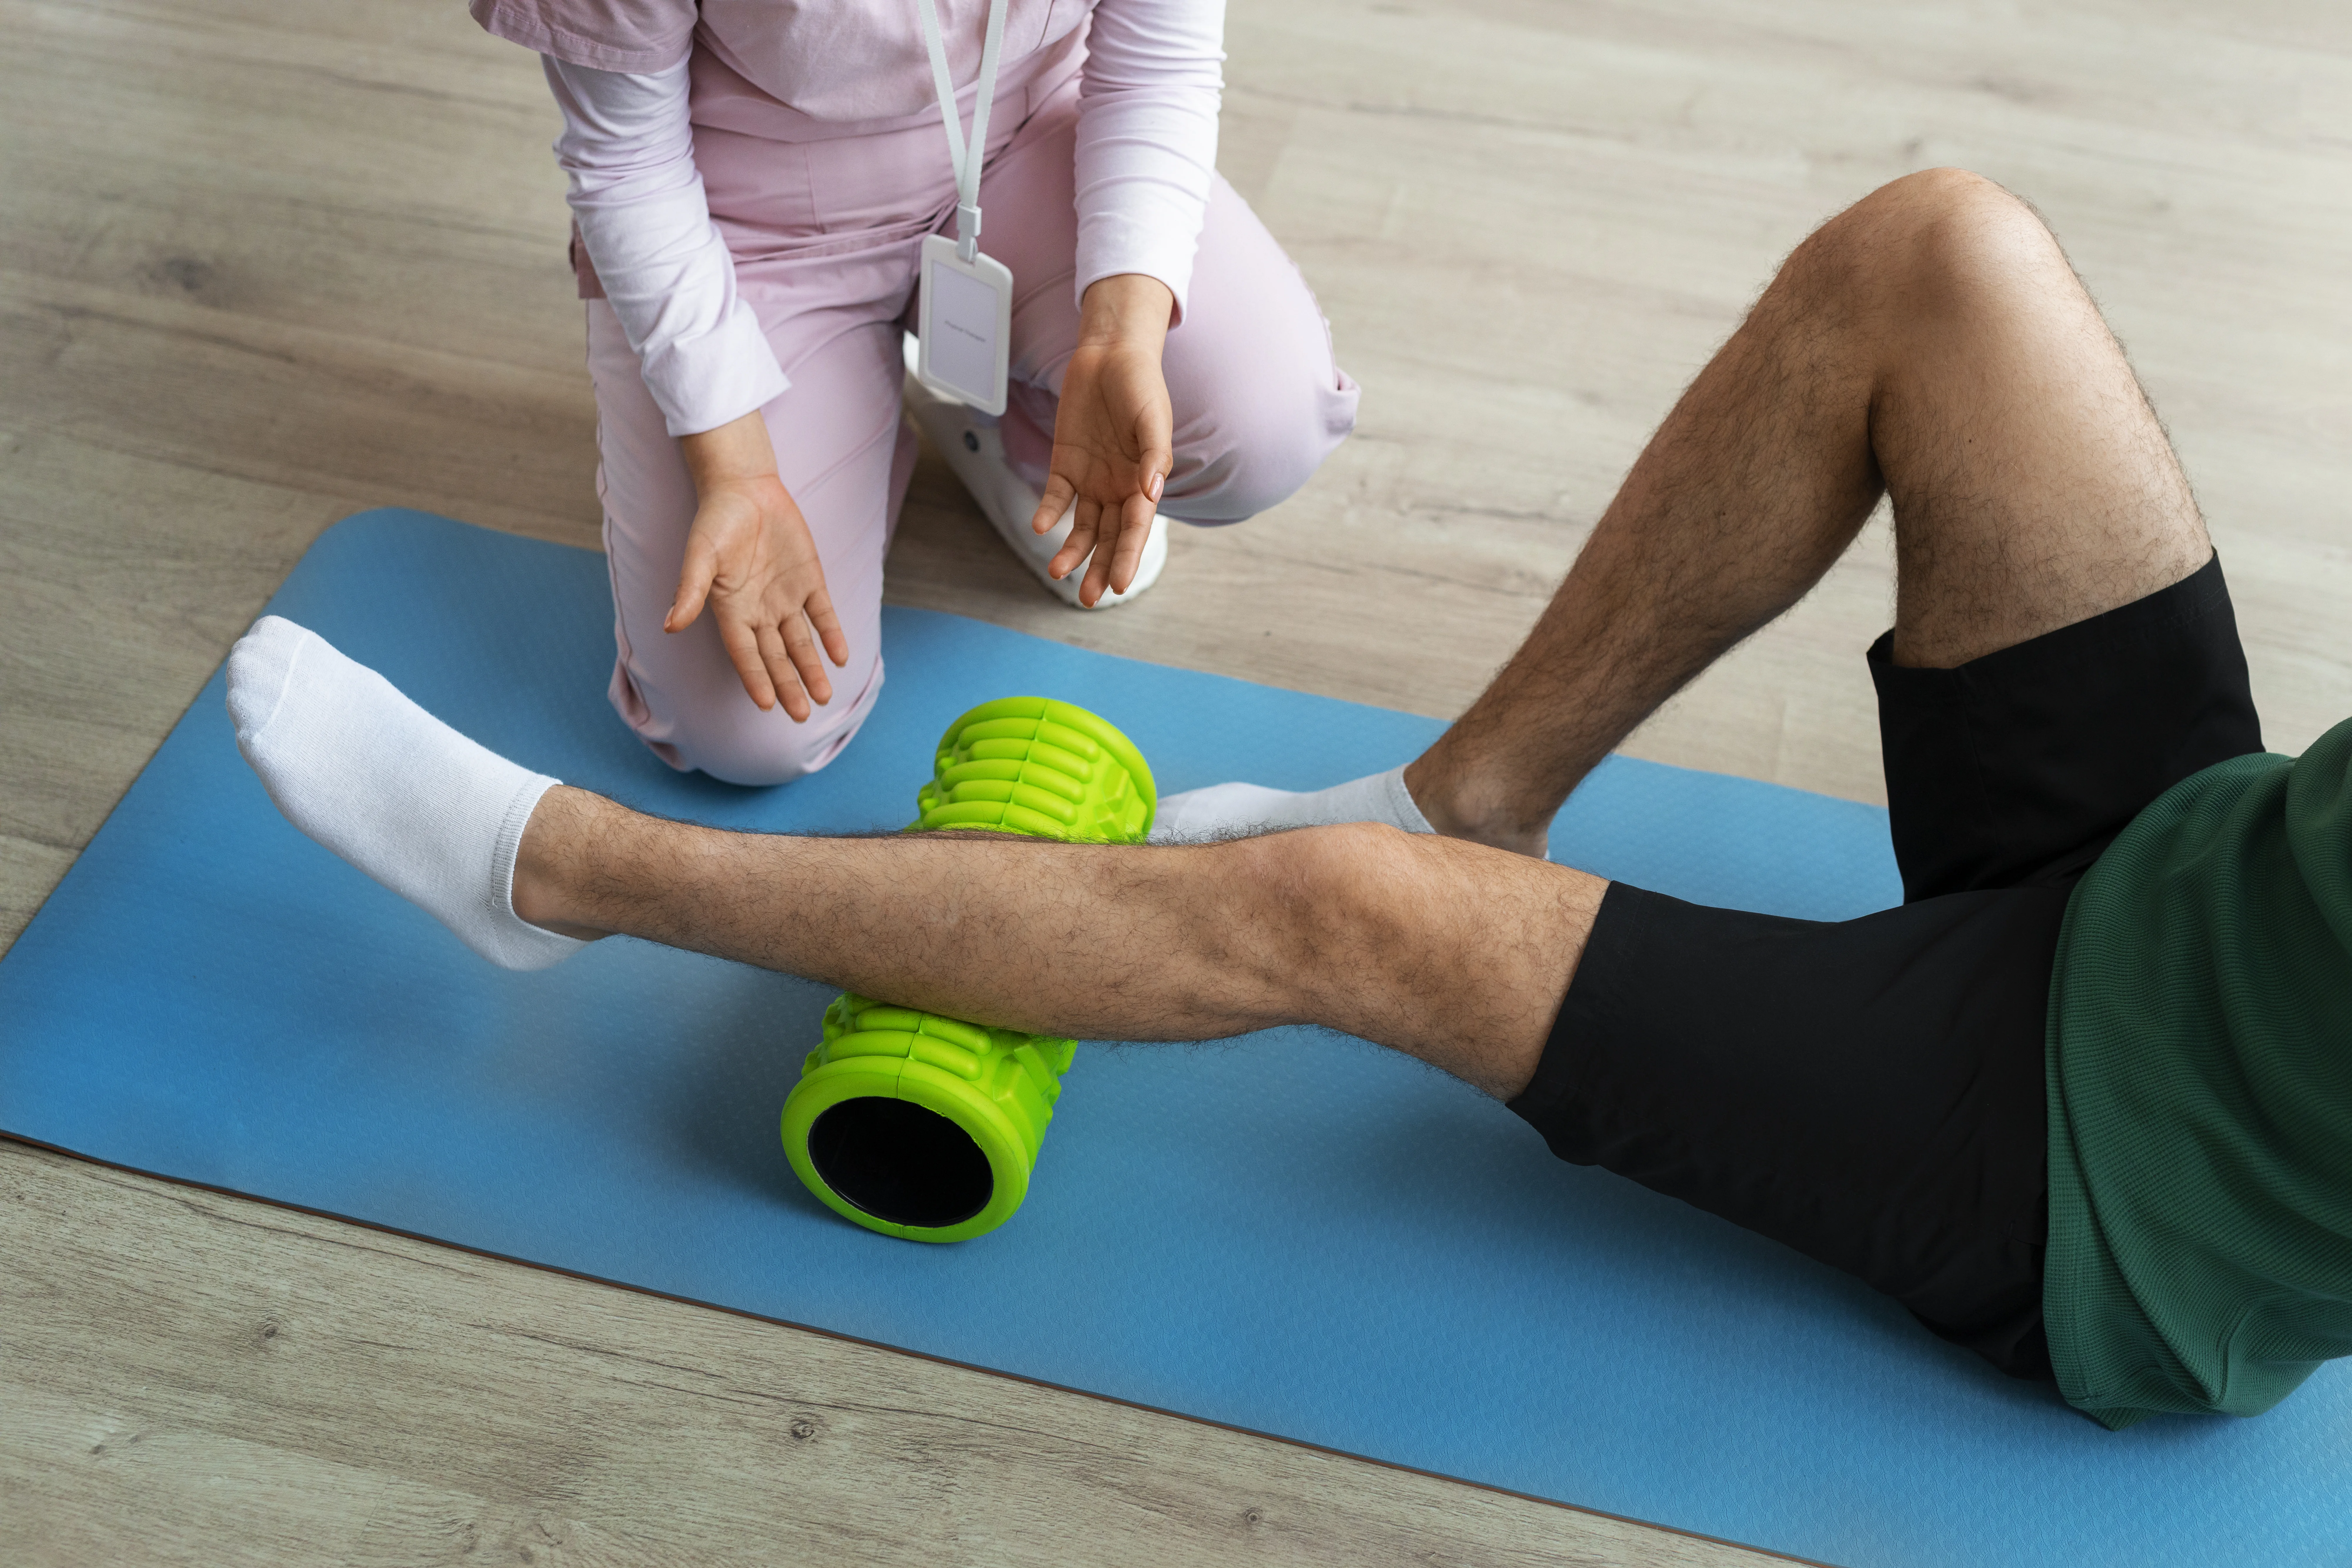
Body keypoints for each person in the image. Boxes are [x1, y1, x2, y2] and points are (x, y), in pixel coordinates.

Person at [225, 169, 2352, 1430]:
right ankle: (1475, 796)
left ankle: (571, 875)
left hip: (2121, 1175)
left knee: (1342, 914)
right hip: (2216, 869)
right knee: (1942, 252)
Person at [471, 0, 1359, 784]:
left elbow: (1157, 57)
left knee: (1261, 431)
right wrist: (736, 468)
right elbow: (627, 163)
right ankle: (856, 407)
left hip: (1021, 134)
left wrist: (1117, 337)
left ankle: (1010, 416)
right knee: (749, 730)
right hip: (747, 216)